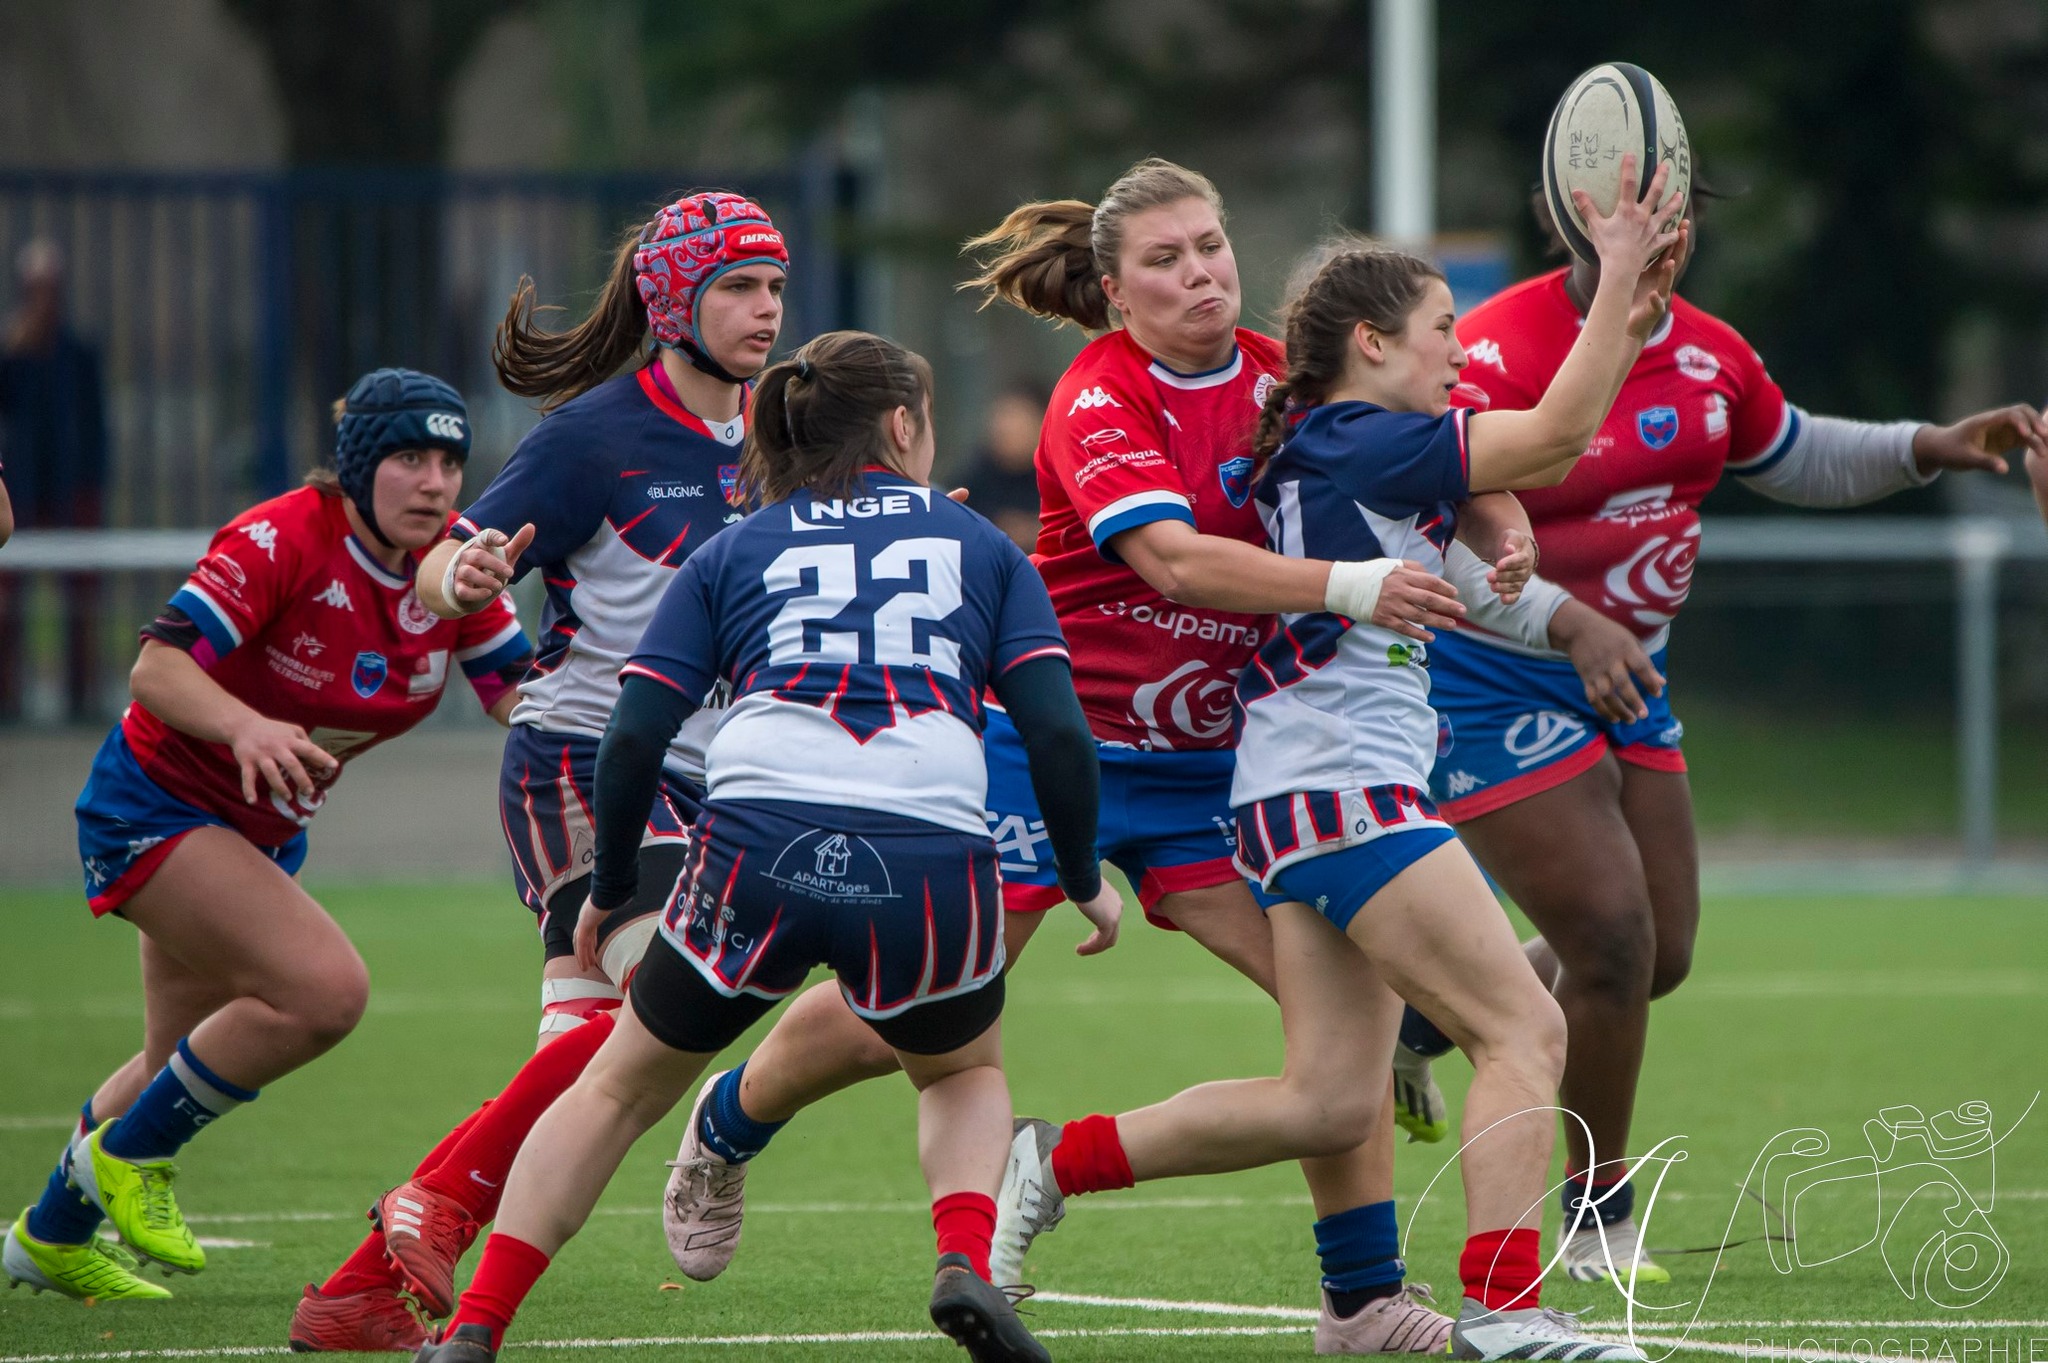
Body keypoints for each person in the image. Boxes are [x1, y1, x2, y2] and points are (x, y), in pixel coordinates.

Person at [646, 158, 1503, 1357]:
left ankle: (1359, 1302)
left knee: (1342, 1028)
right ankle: (727, 1124)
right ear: (1112, 289)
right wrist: (1352, 585)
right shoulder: (1097, 399)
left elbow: (1444, 452)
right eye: (1164, 258)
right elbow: (1175, 563)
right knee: (900, 1016)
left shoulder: (1285, 379)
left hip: (1214, 770)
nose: (1199, 272)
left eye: (1209, 245)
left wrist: (1504, 526)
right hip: (1050, 750)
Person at [997, 160, 1680, 1363]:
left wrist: (1591, 373)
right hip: (1341, 782)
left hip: (1287, 789)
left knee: (1326, 1098)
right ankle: (1508, 1312)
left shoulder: (1333, 433)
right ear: (1369, 345)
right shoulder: (1359, 436)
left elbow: (1501, 489)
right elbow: (1555, 437)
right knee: (1523, 1027)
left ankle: (1055, 1160)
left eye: (1208, 246)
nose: (1458, 355)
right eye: (1441, 331)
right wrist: (1614, 270)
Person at [1392, 179, 2048, 1287]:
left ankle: (1425, 1019)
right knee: (1609, 940)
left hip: (1627, 674)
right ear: (1575, 218)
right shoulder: (1496, 348)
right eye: (1636, 212)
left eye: (1676, 211)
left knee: (1661, 953)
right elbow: (1439, 531)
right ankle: (1595, 1217)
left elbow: (1791, 449)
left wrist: (1930, 444)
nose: (1664, 234)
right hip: (1492, 677)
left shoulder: (1709, 351)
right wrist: (1565, 619)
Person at [412, 330, 1114, 1363]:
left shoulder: (736, 545)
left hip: (755, 839)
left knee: (617, 1086)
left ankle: (477, 1325)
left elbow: (634, 734)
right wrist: (1082, 874)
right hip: (928, 847)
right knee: (961, 1073)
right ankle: (964, 1256)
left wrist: (610, 882)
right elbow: (1055, 732)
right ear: (903, 425)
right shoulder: (981, 544)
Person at [286, 191, 793, 1353]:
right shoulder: (592, 436)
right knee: (677, 997)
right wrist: (457, 580)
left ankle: (362, 1288)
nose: (764, 309)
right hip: (584, 757)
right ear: (673, 301)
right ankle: (435, 1207)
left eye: (773, 286)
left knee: (591, 1070)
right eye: (736, 286)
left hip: (712, 778)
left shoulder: (782, 426)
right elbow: (448, 560)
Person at [1, 370, 530, 1305]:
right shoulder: (284, 536)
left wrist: (646, 712)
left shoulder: (454, 566)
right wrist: (244, 726)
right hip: (155, 807)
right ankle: (128, 1158)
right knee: (326, 990)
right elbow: (155, 669)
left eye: (450, 461)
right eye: (410, 457)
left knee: (172, 1061)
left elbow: (519, 699)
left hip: (261, 835)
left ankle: (48, 1235)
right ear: (359, 465)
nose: (435, 481)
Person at [0, 240, 109, 721]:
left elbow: (95, 423)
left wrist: (92, 482)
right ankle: (7, 695)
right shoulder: (13, 352)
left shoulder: (78, 353)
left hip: (70, 486)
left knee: (81, 596)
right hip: (21, 487)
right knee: (7, 598)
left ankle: (80, 695)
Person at [960, 380, 1052, 548]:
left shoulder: (1060, 478)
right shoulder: (976, 475)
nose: (1005, 428)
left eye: (1017, 419)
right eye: (1002, 418)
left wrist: (1033, 531)